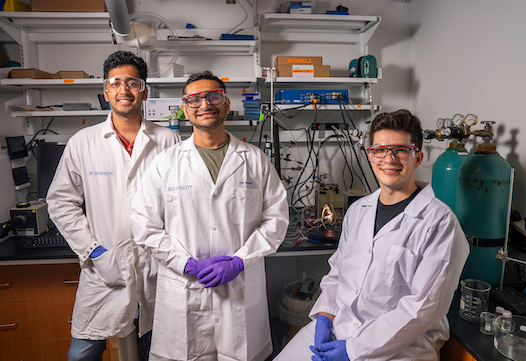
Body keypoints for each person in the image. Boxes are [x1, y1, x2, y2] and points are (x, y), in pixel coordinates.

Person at [275, 109, 470, 361]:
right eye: (379, 150)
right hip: (339, 327)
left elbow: (422, 309)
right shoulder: (358, 210)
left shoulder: (440, 223)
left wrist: (354, 350)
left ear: (418, 157)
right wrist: (324, 316)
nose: (388, 159)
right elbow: (337, 273)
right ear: (370, 156)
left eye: (400, 150)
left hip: (401, 347)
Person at [130, 71, 289, 361]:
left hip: (239, 291)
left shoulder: (255, 160)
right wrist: (186, 264)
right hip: (184, 291)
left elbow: (276, 221)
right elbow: (144, 225)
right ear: (185, 108)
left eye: (213, 96)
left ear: (226, 104)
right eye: (194, 99)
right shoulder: (165, 164)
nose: (205, 104)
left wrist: (241, 260)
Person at [47, 50, 180, 361]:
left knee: (159, 351)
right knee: (83, 353)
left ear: (144, 90)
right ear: (105, 90)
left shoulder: (168, 140)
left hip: (156, 269)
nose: (124, 90)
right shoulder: (84, 142)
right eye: (116, 83)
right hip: (102, 270)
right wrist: (93, 250)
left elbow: (179, 205)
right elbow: (60, 202)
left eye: (133, 83)